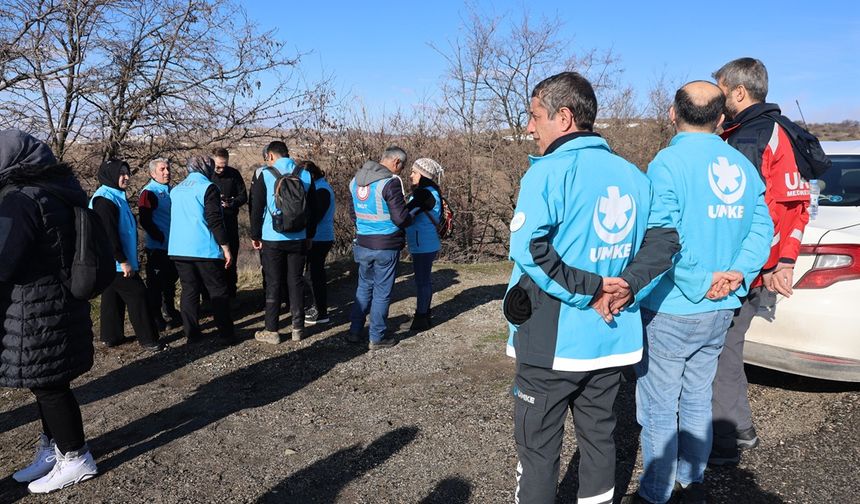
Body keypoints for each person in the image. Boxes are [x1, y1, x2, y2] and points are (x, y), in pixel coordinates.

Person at [503, 72, 679, 504]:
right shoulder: (633, 174)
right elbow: (665, 239)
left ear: (563, 118)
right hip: (612, 338)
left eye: (534, 115)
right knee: (600, 442)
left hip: (552, 345)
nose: (529, 126)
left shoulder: (549, 173)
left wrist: (595, 289)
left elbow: (529, 248)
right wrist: (627, 286)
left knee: (537, 450)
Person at [623, 82, 773, 504]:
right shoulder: (741, 164)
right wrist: (736, 275)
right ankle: (693, 483)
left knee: (658, 406)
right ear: (721, 118)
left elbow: (663, 235)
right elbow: (763, 228)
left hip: (673, 305)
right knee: (696, 397)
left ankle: (657, 494)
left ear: (673, 113)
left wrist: (700, 280)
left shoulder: (666, 163)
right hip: (721, 306)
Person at [709, 57, 809, 465]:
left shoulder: (751, 136)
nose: (717, 99)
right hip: (764, 263)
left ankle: (725, 441)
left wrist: (755, 266)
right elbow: (799, 207)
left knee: (720, 349)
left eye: (720, 91)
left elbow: (742, 210)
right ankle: (741, 428)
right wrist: (784, 259)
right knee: (730, 348)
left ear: (738, 92)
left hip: (745, 266)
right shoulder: (787, 131)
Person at [0, 129, 98, 493]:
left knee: (48, 385)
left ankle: (74, 457)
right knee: (49, 381)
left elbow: (4, 260)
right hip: (58, 301)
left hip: (34, 307)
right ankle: (54, 449)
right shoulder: (58, 190)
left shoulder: (20, 199)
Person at [90, 159, 165, 351]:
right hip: (114, 261)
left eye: (127, 172)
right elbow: (108, 235)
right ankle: (149, 339)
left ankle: (110, 336)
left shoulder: (114, 195)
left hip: (113, 260)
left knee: (112, 295)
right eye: (121, 173)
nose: (126, 177)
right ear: (110, 175)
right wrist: (122, 260)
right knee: (138, 294)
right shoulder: (104, 200)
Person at [347, 146, 415, 350]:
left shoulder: (355, 181)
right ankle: (377, 336)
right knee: (382, 292)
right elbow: (400, 218)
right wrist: (412, 215)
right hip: (386, 245)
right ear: (396, 162)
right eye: (402, 167)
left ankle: (355, 331)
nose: (401, 171)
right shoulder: (390, 182)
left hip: (363, 243)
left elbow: (353, 213)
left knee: (363, 288)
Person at [249, 141, 316, 344]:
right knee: (295, 280)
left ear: (270, 155)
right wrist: (309, 235)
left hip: (272, 237)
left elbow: (256, 208)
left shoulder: (266, 174)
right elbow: (311, 210)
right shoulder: (304, 174)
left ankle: (272, 330)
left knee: (274, 282)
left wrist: (255, 235)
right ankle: (298, 328)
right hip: (299, 236)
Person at [168, 156, 236, 345]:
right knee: (217, 290)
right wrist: (226, 247)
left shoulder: (176, 189)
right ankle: (226, 333)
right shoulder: (208, 187)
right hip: (203, 248)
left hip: (179, 248)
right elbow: (214, 219)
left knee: (189, 290)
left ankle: (192, 334)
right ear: (207, 168)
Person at [138, 157, 181, 330]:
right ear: (153, 173)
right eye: (162, 169)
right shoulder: (149, 192)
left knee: (170, 282)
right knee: (156, 285)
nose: (167, 172)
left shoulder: (171, 190)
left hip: (173, 246)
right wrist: (159, 236)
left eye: (168, 169)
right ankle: (156, 317)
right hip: (157, 247)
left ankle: (170, 311)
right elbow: (145, 220)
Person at [405, 157, 445, 331]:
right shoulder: (431, 192)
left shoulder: (424, 194)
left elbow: (405, 213)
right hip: (426, 242)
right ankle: (424, 315)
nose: (411, 175)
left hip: (423, 244)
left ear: (423, 174)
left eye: (414, 172)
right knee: (424, 280)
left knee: (422, 281)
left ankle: (421, 318)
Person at [299, 160, 335, 326]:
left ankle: (320, 310)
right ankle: (318, 307)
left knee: (314, 275)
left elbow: (316, 216)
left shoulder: (321, 190)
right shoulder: (320, 187)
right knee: (313, 274)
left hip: (319, 238)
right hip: (319, 237)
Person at [211, 147, 247, 298]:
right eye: (217, 166)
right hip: (211, 225)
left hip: (230, 222)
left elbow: (243, 196)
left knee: (231, 261)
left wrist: (232, 202)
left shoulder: (234, 174)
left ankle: (231, 295)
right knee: (212, 264)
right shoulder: (207, 175)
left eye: (223, 166)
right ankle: (211, 297)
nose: (220, 169)